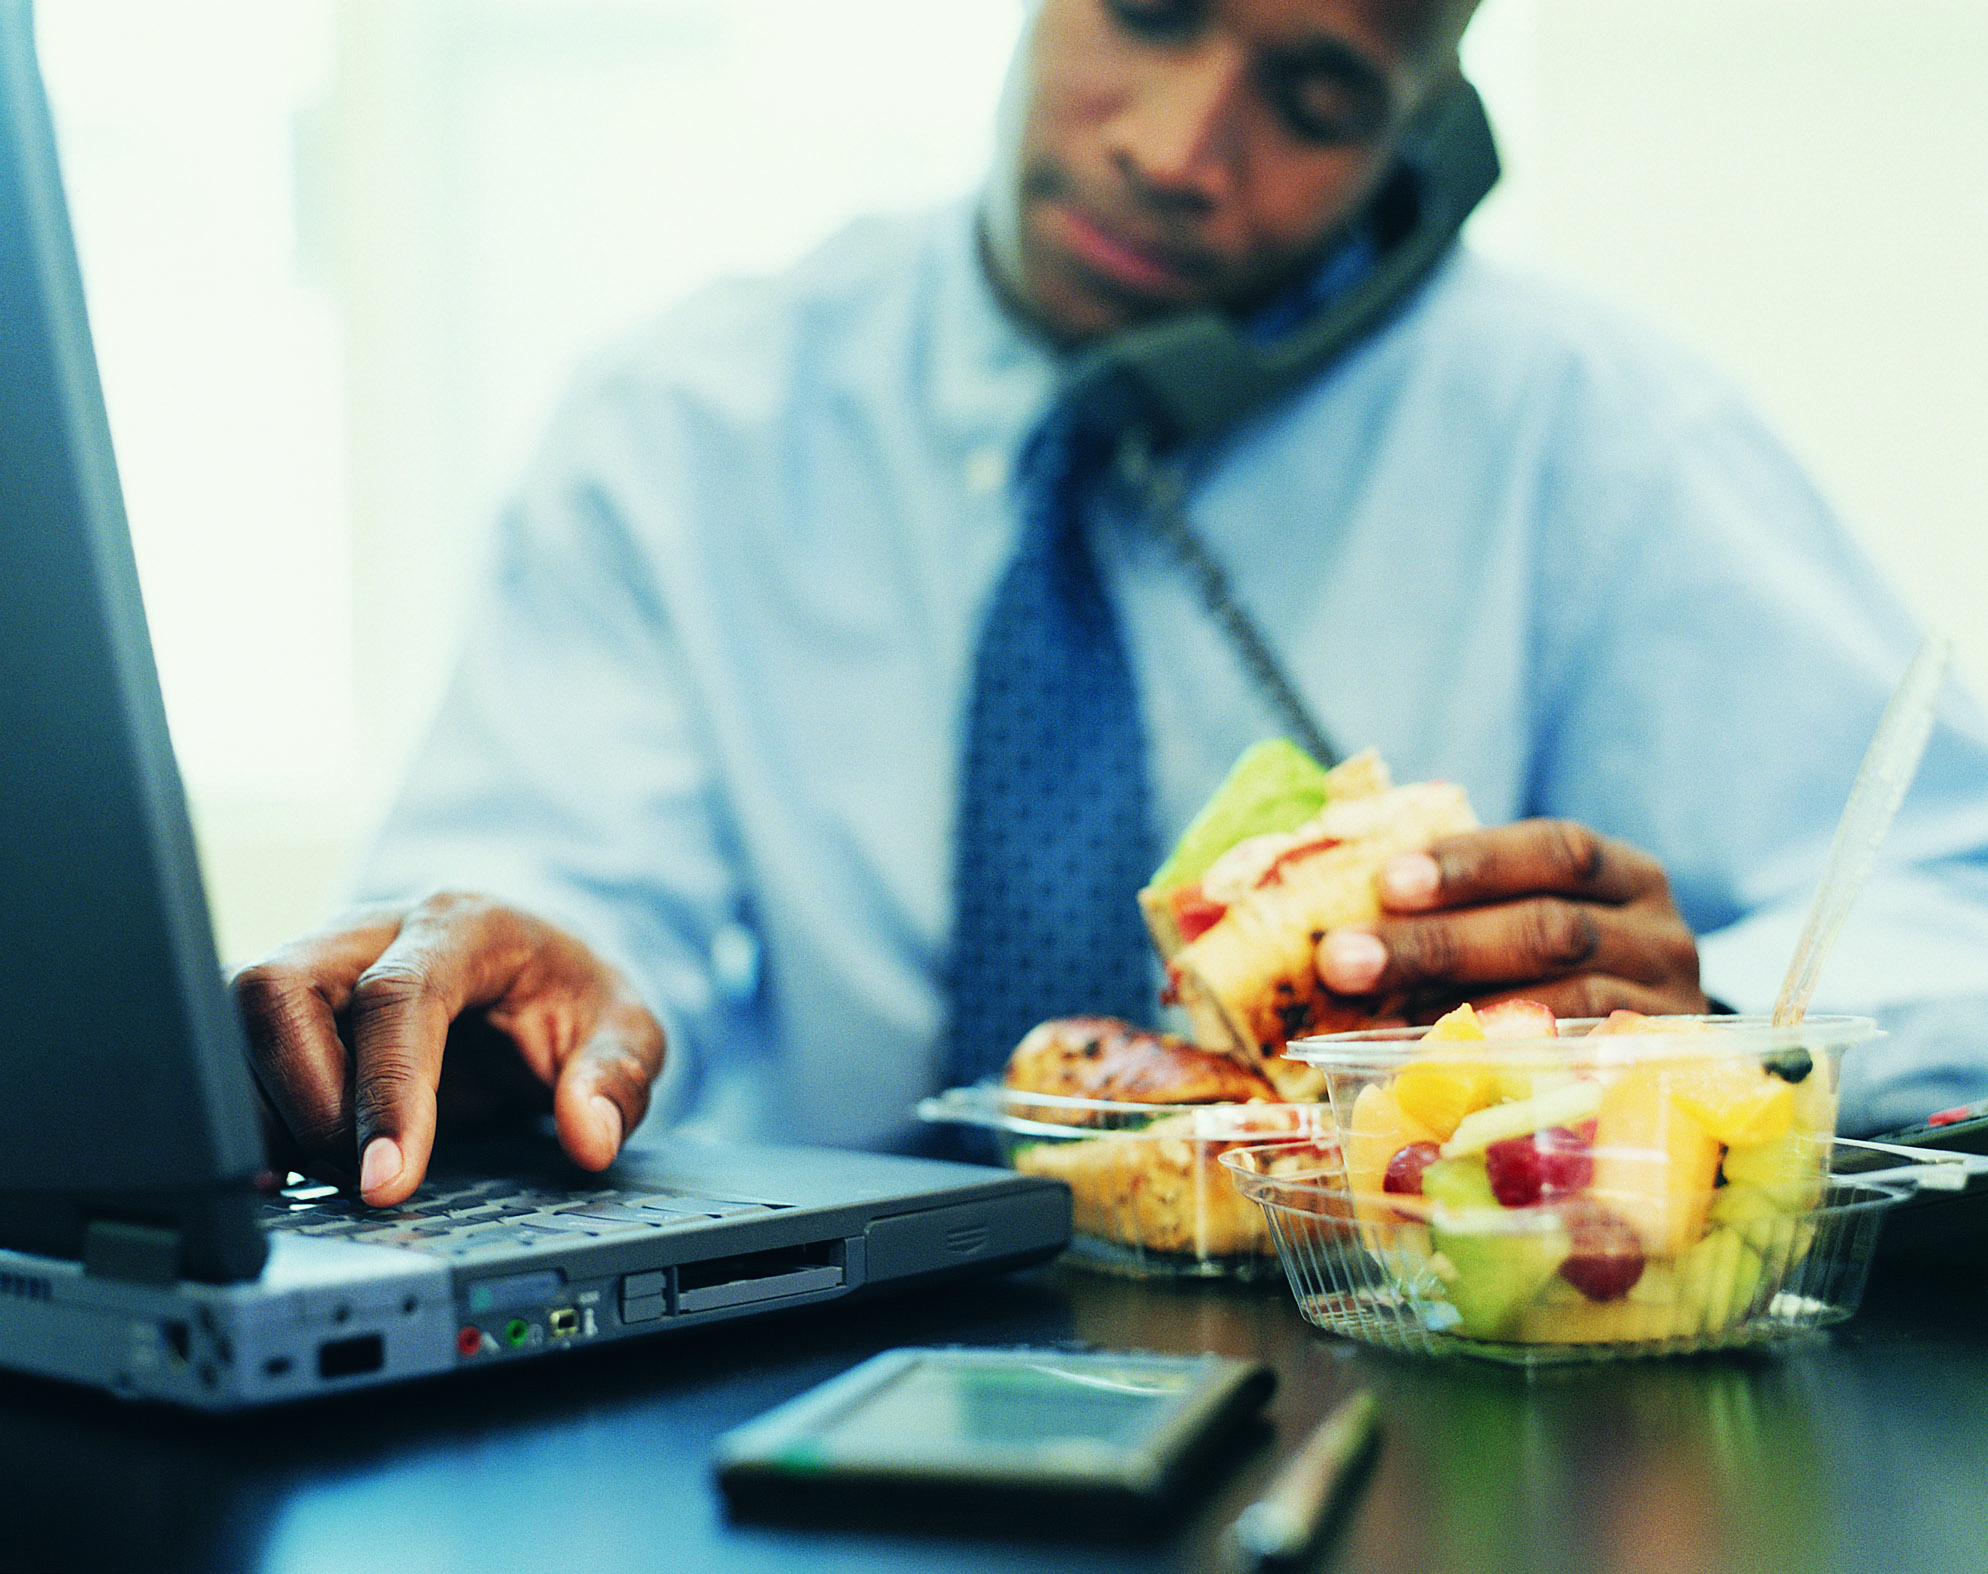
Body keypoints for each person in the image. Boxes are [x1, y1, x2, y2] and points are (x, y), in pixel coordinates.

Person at [234, 0, 1988, 1207]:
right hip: (801, 1378)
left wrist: (1715, 1028)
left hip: (1385, 1387)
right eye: (1147, 6)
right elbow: (547, 910)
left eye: (1312, 104)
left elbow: (1953, 904)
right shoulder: (681, 429)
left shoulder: (1590, 435)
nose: (1174, 146)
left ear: (1425, 134)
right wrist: (508, 1011)